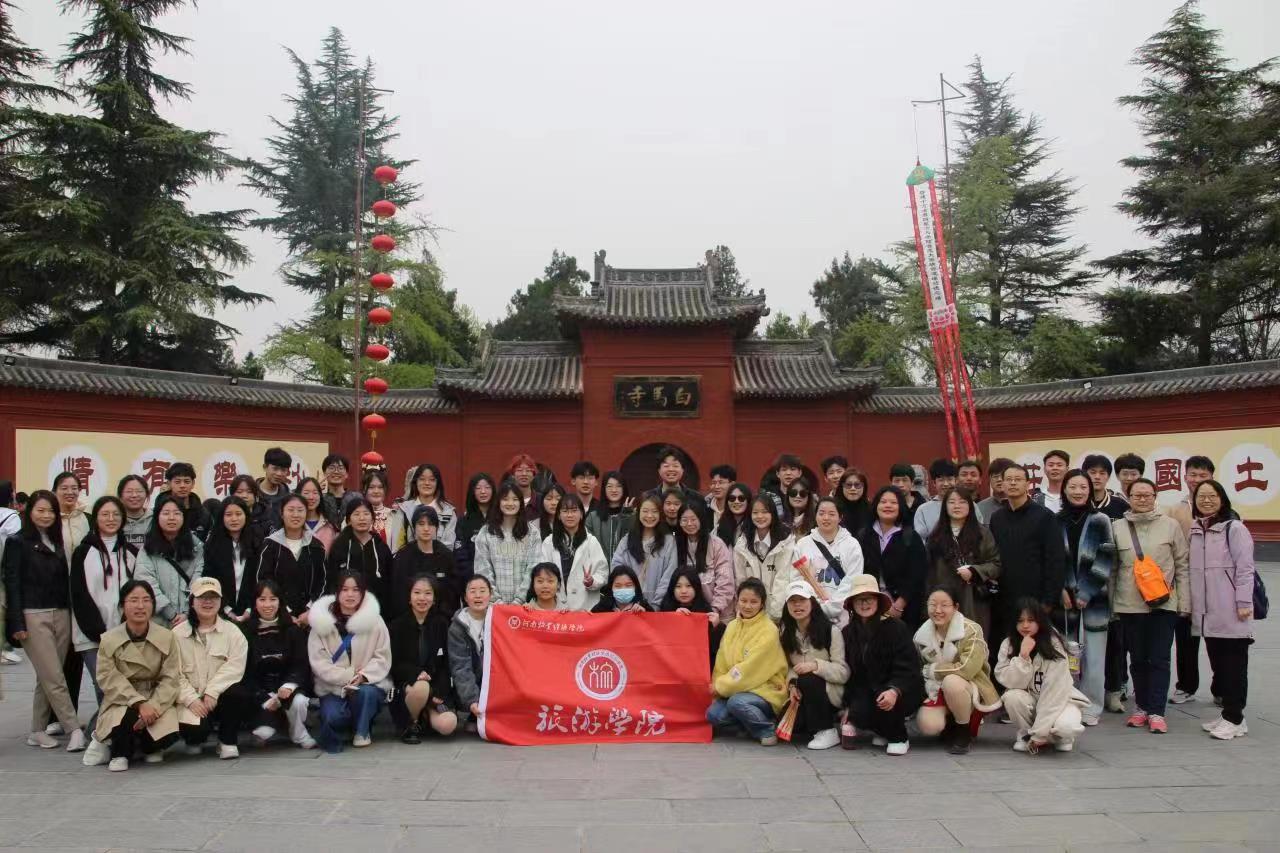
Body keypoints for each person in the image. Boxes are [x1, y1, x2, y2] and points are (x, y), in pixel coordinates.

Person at [2, 490, 86, 751]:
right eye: (40, 510)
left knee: (47, 675)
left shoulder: (56, 539)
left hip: (61, 613)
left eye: (50, 511)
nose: (46, 515)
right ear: (29, 512)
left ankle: (37, 730)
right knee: (55, 676)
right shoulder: (17, 542)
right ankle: (73, 728)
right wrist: (16, 622)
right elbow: (12, 583)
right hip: (33, 614)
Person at [1111, 478, 1189, 734]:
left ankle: (1157, 711)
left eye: (1147, 495)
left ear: (1155, 497)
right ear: (1128, 497)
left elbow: (1182, 565)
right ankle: (1141, 708)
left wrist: (1184, 603)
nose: (1142, 499)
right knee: (1137, 659)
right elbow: (1113, 570)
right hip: (1129, 605)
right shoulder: (1117, 527)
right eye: (1137, 495)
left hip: (1163, 605)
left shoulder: (1170, 525)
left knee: (1159, 658)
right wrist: (1112, 606)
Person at [69, 495, 138, 759]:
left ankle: (106, 734)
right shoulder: (83, 552)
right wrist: (99, 633)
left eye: (116, 515)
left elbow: (137, 594)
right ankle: (106, 738)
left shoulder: (130, 552)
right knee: (105, 686)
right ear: (95, 518)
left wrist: (126, 629)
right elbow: (79, 596)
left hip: (124, 634)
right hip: (92, 635)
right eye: (105, 514)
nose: (111, 519)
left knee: (121, 686)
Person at [90, 580, 181, 772]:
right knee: (125, 720)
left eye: (146, 600)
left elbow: (171, 678)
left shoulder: (167, 637)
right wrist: (139, 703)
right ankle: (119, 752)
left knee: (168, 730)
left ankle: (146, 746)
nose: (140, 606)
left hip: (156, 697)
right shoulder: (109, 639)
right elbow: (108, 678)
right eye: (133, 600)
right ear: (122, 606)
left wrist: (153, 706)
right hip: (123, 699)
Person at [1189, 479, 1255, 740]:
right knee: (1219, 665)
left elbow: (1246, 569)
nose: (1206, 501)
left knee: (1233, 666)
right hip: (1207, 612)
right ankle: (1228, 713)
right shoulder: (1197, 528)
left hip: (1231, 609)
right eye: (1201, 496)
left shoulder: (1235, 528)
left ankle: (1235, 718)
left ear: (1222, 499)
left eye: (1212, 496)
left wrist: (1244, 603)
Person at [307, 571, 392, 753]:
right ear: (337, 592)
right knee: (333, 717)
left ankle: (362, 730)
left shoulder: (375, 621)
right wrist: (348, 675)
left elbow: (382, 656)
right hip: (332, 687)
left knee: (367, 694)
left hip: (364, 684)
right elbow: (319, 662)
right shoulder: (322, 622)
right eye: (345, 589)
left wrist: (363, 676)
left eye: (355, 590)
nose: (350, 594)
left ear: (363, 592)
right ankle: (341, 723)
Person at [840, 574, 923, 755]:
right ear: (852, 604)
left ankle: (899, 737)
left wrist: (894, 690)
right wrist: (849, 706)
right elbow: (849, 672)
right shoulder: (847, 632)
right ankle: (881, 729)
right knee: (859, 710)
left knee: (885, 700)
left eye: (869, 599)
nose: (864, 604)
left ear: (878, 601)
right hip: (865, 690)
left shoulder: (897, 628)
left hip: (898, 689)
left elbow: (909, 668)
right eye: (859, 599)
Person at [913, 586, 1002, 755]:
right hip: (936, 689)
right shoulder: (921, 635)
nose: (938, 610)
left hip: (970, 687)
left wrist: (934, 670)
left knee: (952, 682)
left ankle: (963, 730)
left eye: (944, 605)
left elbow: (967, 669)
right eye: (933, 604)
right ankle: (949, 723)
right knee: (928, 725)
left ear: (956, 607)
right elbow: (919, 668)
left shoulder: (971, 629)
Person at [994, 598, 1090, 753]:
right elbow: (1010, 682)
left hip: (1060, 702)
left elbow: (1053, 693)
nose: (1025, 625)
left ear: (1040, 621)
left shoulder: (1054, 644)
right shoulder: (1008, 643)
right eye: (1020, 621)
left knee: (1066, 726)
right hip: (1031, 701)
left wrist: (1039, 733)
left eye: (1031, 620)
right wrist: (1023, 657)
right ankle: (1026, 734)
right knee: (1012, 697)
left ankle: (1058, 737)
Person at [988, 465, 1065, 655]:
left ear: (1028, 484)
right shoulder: (997, 518)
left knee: (1038, 653)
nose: (1013, 483)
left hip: (1036, 599)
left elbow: (1055, 561)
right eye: (1008, 479)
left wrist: (1049, 600)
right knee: (1007, 651)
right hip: (1005, 599)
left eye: (1018, 479)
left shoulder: (1044, 517)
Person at [1057, 470, 1114, 724]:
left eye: (1083, 487)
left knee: (1094, 655)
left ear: (1090, 490)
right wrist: (1063, 589)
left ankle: (1091, 706)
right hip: (1064, 599)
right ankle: (1068, 702)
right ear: (1064, 490)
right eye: (1073, 487)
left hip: (1095, 599)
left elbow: (1106, 557)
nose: (1078, 492)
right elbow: (1054, 558)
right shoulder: (1055, 521)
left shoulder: (1100, 520)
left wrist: (1087, 591)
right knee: (1065, 653)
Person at [174, 577, 249, 759]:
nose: (208, 602)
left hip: (218, 697)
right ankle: (194, 739)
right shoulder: (177, 634)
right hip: (190, 700)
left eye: (213, 597)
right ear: (192, 601)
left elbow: (235, 667)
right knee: (197, 731)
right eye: (202, 597)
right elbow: (173, 674)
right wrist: (191, 699)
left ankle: (227, 741)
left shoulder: (233, 632)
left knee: (238, 694)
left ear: (221, 601)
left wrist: (212, 691)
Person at [707, 579, 788, 745]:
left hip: (765, 690)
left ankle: (767, 729)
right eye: (743, 601)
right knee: (713, 715)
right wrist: (717, 686)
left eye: (753, 602)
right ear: (737, 601)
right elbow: (721, 662)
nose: (747, 606)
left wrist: (721, 686)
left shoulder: (769, 629)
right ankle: (750, 725)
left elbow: (750, 669)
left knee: (736, 702)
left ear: (762, 603)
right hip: (737, 688)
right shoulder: (732, 626)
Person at [240, 580, 315, 749]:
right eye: (262, 599)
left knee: (299, 702)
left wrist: (289, 686)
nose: (268, 605)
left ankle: (298, 732)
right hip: (259, 690)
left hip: (286, 687)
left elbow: (301, 664)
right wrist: (264, 697)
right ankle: (272, 723)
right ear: (254, 602)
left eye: (273, 599)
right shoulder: (246, 632)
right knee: (263, 732)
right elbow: (245, 670)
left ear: (280, 602)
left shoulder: (292, 630)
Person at [1169, 455, 1218, 705]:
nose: (1197, 480)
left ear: (1212, 477)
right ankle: (1186, 686)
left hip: (1216, 585)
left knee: (1218, 639)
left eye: (1203, 475)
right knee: (1186, 639)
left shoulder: (1223, 510)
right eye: (1193, 475)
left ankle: (1221, 688)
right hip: (1185, 584)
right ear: (1184, 477)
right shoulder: (1174, 511)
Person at [779, 579, 849, 750]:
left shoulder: (831, 631)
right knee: (791, 725)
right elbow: (789, 667)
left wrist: (816, 666)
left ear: (812, 602)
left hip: (830, 691)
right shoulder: (786, 633)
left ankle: (827, 730)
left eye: (802, 600)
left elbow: (843, 672)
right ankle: (815, 726)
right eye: (792, 601)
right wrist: (792, 685)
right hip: (802, 692)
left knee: (809, 679)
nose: (797, 605)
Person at [389, 575, 458, 743]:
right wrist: (416, 673)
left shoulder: (442, 624)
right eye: (417, 592)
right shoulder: (397, 626)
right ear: (409, 596)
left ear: (434, 598)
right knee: (421, 688)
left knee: (448, 724)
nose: (422, 598)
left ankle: (424, 717)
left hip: (434, 689)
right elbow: (394, 664)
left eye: (428, 593)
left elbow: (447, 664)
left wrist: (438, 691)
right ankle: (410, 724)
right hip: (409, 687)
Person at [925, 487, 1001, 640]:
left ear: (970, 506)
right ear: (945, 507)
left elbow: (996, 564)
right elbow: (928, 572)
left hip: (974, 598)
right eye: (952, 502)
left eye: (962, 502)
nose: (957, 506)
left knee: (972, 640)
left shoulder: (982, 533)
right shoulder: (936, 536)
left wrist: (974, 571)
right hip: (943, 600)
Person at [778, 498, 863, 622]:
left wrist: (833, 607)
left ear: (840, 517)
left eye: (831, 514)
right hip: (810, 613)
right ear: (815, 516)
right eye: (821, 513)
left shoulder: (852, 545)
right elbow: (796, 579)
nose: (826, 518)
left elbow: (853, 580)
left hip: (843, 614)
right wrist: (814, 607)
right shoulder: (803, 544)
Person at [859, 486, 930, 631]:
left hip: (904, 608)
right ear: (876, 505)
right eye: (883, 502)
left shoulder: (910, 537)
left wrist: (899, 604)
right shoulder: (864, 535)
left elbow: (917, 575)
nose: (888, 506)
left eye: (893, 502)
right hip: (870, 604)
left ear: (901, 507)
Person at [133, 494, 205, 626]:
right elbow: (146, 582)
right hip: (157, 621)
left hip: (190, 620)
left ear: (184, 517)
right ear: (157, 517)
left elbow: (198, 580)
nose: (171, 518)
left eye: (177, 513)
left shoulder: (196, 548)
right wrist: (170, 613)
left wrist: (187, 612)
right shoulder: (148, 549)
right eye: (166, 513)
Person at [255, 494, 327, 625]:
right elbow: (263, 581)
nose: (295, 515)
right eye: (291, 510)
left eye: (300, 510)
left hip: (310, 617)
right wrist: (284, 612)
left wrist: (311, 610)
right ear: (282, 514)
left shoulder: (316, 546)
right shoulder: (270, 545)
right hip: (276, 616)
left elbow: (323, 581)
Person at [473, 481, 543, 605]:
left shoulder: (532, 533)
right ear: (498, 502)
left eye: (515, 499)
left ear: (521, 503)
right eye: (505, 499)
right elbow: (482, 569)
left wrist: (519, 600)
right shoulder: (486, 532)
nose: (510, 503)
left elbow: (533, 568)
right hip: (493, 605)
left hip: (526, 605)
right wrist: (497, 601)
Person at [389, 505, 461, 621]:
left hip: (440, 620)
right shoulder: (403, 556)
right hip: (408, 619)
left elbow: (452, 594)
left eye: (431, 524)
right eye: (421, 524)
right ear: (414, 527)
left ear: (436, 528)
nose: (426, 528)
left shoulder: (446, 556)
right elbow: (398, 593)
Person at [541, 494, 608, 612]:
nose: (570, 515)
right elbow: (543, 574)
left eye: (574, 511)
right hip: (557, 607)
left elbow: (602, 572)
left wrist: (592, 581)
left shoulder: (591, 542)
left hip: (586, 608)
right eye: (565, 511)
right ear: (558, 515)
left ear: (581, 514)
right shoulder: (549, 542)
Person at [611, 493, 678, 607]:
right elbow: (616, 568)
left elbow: (669, 575)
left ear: (660, 514)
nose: (649, 515)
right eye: (645, 511)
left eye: (654, 511)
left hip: (658, 607)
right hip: (630, 606)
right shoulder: (627, 540)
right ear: (638, 512)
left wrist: (655, 605)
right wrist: (629, 601)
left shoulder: (669, 541)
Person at [201, 497, 259, 623]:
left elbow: (259, 579)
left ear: (246, 515)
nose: (234, 519)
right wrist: (226, 609)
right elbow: (209, 579)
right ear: (221, 517)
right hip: (220, 612)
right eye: (228, 515)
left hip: (252, 611)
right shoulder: (212, 545)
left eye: (238, 514)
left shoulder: (257, 543)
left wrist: (250, 609)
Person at [675, 503, 736, 624]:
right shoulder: (676, 544)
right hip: (686, 614)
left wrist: (714, 610)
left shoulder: (716, 545)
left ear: (701, 520)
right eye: (684, 520)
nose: (689, 524)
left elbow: (725, 581)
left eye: (693, 519)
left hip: (717, 615)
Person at [326, 497, 393, 602]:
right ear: (348, 520)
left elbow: (389, 579)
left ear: (372, 518)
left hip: (377, 606)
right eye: (356, 514)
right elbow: (331, 579)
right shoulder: (340, 546)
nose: (362, 518)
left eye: (366, 514)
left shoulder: (381, 547)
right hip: (346, 605)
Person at [449, 575, 493, 732]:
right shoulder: (457, 627)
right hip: (472, 683)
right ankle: (473, 712)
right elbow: (460, 667)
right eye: (473, 591)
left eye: (482, 591)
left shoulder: (498, 619)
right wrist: (472, 700)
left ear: (491, 595)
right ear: (465, 597)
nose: (478, 595)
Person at [660, 568, 724, 667]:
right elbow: (659, 642)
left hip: (696, 667)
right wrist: (673, 619)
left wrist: (716, 627)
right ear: (672, 588)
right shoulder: (665, 609)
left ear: (696, 587)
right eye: (678, 586)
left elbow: (713, 650)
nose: (684, 591)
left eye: (689, 586)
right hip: (671, 667)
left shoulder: (705, 611)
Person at [734, 495, 794, 597]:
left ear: (773, 514)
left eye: (765, 512)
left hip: (778, 602)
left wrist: (775, 607)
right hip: (751, 603)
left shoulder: (785, 541)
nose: (760, 516)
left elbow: (782, 580)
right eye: (755, 512)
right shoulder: (742, 544)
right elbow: (741, 580)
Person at [156, 462, 211, 542]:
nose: (182, 486)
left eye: (187, 481)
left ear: (193, 484)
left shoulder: (204, 514)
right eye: (177, 482)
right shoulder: (158, 511)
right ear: (169, 483)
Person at [456, 473, 497, 578]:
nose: (483, 491)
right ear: (472, 492)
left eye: (487, 487)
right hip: (472, 577)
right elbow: (461, 553)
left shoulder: (500, 519)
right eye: (478, 488)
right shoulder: (464, 521)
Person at [586, 471, 633, 561]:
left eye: (618, 486)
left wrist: (627, 516)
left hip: (625, 567)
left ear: (624, 489)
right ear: (604, 489)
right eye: (609, 486)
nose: (614, 490)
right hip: (599, 567)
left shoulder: (633, 516)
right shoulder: (593, 517)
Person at [912, 459, 959, 539]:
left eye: (949, 479)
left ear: (956, 481)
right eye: (941, 480)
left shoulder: (969, 505)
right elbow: (920, 539)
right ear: (934, 483)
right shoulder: (923, 510)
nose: (946, 484)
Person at [652, 446, 706, 510]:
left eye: (675, 466)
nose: (671, 469)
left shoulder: (697, 499)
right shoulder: (650, 497)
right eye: (666, 466)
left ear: (683, 470)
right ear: (659, 470)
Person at [53, 471, 89, 563]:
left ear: (79, 491)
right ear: (54, 492)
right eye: (64, 488)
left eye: (74, 488)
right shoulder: (50, 520)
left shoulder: (89, 519)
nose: (70, 492)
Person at [1081, 454, 1130, 521]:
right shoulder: (1078, 503)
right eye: (1093, 472)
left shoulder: (1121, 505)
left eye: (1102, 473)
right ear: (1084, 475)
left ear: (1108, 477)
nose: (1097, 477)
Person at [296, 477, 338, 554]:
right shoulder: (292, 525)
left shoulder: (330, 526)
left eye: (315, 493)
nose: (311, 497)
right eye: (306, 493)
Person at [257, 447, 294, 530]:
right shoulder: (252, 493)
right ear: (265, 467)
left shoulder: (288, 497)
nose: (279, 474)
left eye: (283, 470)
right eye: (275, 468)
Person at [229, 474, 273, 542]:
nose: (244, 496)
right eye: (239, 492)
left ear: (256, 495)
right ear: (232, 495)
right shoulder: (225, 516)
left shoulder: (266, 515)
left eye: (249, 492)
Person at [362, 468, 399, 548]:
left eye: (380, 487)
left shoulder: (395, 515)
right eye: (371, 487)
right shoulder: (356, 515)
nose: (376, 491)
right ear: (364, 489)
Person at [117, 474, 153, 550]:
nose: (134, 495)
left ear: (146, 494)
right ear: (120, 496)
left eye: (139, 491)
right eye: (129, 491)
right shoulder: (114, 520)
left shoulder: (155, 519)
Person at [976, 458, 1014, 526]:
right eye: (995, 476)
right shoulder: (979, 508)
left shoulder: (1024, 506)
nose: (999, 479)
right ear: (989, 480)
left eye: (1003, 476)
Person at [888, 463, 928, 528]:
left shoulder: (923, 505)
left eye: (905, 480)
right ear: (891, 483)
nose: (901, 485)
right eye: (897, 481)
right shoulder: (886, 505)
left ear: (912, 483)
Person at [319, 454, 357, 522]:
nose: (336, 471)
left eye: (340, 468)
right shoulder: (319, 499)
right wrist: (315, 490)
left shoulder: (356, 498)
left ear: (347, 474)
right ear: (324, 473)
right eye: (331, 468)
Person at [834, 469, 872, 537]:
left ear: (864, 487)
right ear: (842, 487)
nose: (853, 488)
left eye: (857, 485)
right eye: (848, 485)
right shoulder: (833, 507)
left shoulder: (871, 509)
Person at [715, 483, 752, 549]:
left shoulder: (754, 526)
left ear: (748, 501)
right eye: (732, 498)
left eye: (741, 498)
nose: (736, 502)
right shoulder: (719, 526)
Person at [507, 453, 541, 520]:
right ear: (513, 475)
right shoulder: (505, 500)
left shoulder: (541, 501)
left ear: (534, 475)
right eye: (519, 470)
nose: (524, 474)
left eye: (528, 470)